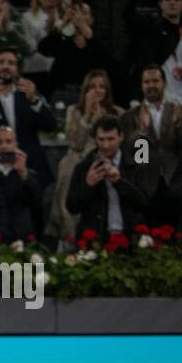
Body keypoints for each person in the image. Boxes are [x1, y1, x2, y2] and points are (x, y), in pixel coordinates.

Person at [46, 69, 123, 243]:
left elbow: (112, 143)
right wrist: (87, 115)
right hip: (76, 162)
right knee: (70, 176)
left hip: (105, 162)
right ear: (85, 90)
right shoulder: (74, 110)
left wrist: (100, 116)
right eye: (93, 86)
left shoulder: (117, 112)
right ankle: (69, 240)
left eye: (102, 86)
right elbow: (75, 143)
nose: (97, 90)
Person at [0, 48, 58, 187]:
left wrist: (34, 100)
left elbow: (51, 126)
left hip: (31, 169)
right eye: (1, 62)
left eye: (11, 63)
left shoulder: (29, 95)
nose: (6, 66)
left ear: (17, 70)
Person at [120, 65, 182, 224]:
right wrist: (142, 132)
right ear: (141, 85)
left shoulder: (179, 111)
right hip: (145, 189)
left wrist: (179, 128)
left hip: (176, 186)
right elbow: (134, 158)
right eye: (147, 81)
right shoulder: (130, 116)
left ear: (165, 84)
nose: (151, 85)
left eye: (155, 81)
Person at [66, 115, 154, 238]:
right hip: (96, 238)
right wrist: (88, 185)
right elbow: (72, 207)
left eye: (110, 139)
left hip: (130, 237)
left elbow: (144, 202)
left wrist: (119, 182)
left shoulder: (136, 165)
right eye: (101, 139)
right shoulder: (84, 167)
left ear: (121, 137)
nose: (106, 145)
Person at [74, 0, 135, 105]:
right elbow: (78, 12)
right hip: (95, 57)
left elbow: (130, 24)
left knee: (120, 106)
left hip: (121, 60)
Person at [134, 0, 182, 110]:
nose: (172, 2)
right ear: (160, 4)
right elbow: (130, 15)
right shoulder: (151, 29)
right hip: (157, 101)